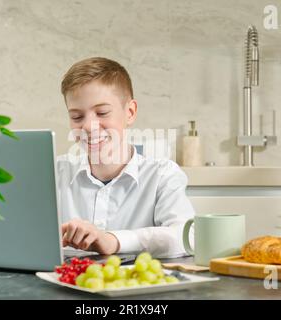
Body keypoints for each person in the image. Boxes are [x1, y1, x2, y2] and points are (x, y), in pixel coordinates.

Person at [57, 57, 195, 258]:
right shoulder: (53, 172)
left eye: (102, 112)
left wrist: (112, 240)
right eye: (77, 117)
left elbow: (187, 236)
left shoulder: (162, 175)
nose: (87, 126)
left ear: (130, 112)